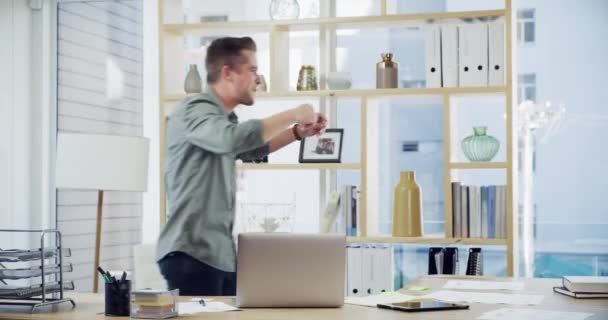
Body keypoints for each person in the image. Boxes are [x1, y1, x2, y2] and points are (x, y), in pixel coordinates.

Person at [156, 36, 327, 296]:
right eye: (252, 70)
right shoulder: (194, 110)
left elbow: (253, 148)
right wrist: (293, 113)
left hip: (219, 255)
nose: (257, 79)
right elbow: (231, 139)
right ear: (228, 73)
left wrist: (298, 132)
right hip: (190, 254)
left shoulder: (221, 119)